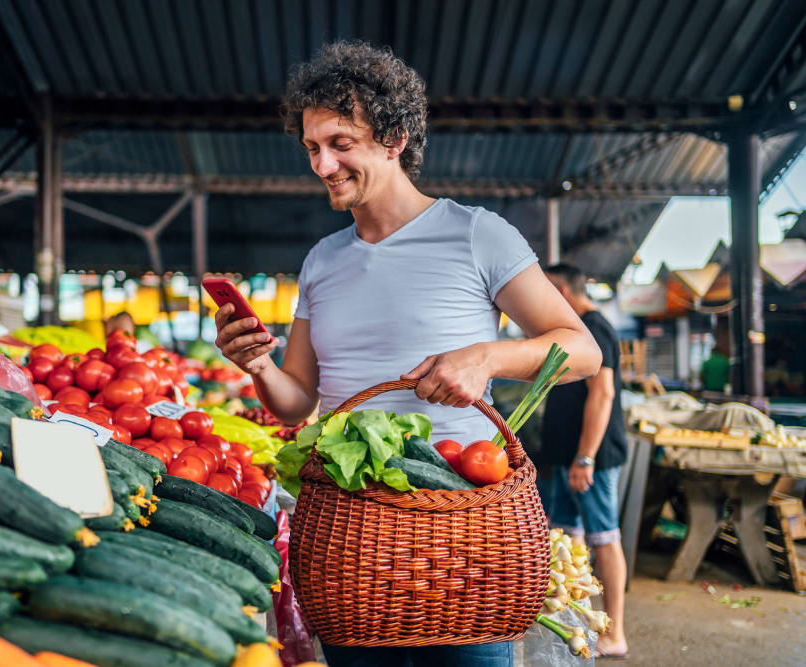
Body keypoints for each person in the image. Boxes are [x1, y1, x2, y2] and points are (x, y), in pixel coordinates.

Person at [215, 41, 601, 667]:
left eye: (341, 143)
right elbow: (296, 402)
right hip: (350, 527)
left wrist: (487, 358)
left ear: (393, 138)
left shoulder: (477, 233)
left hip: (460, 518)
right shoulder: (322, 261)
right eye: (312, 147)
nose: (322, 164)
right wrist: (258, 363)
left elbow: (581, 350)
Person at [540, 263, 629, 660]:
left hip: (589, 457)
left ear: (560, 290)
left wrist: (585, 456)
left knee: (604, 537)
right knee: (567, 541)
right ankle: (581, 624)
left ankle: (615, 633)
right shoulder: (572, 330)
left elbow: (603, 394)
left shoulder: (595, 326)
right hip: (566, 458)